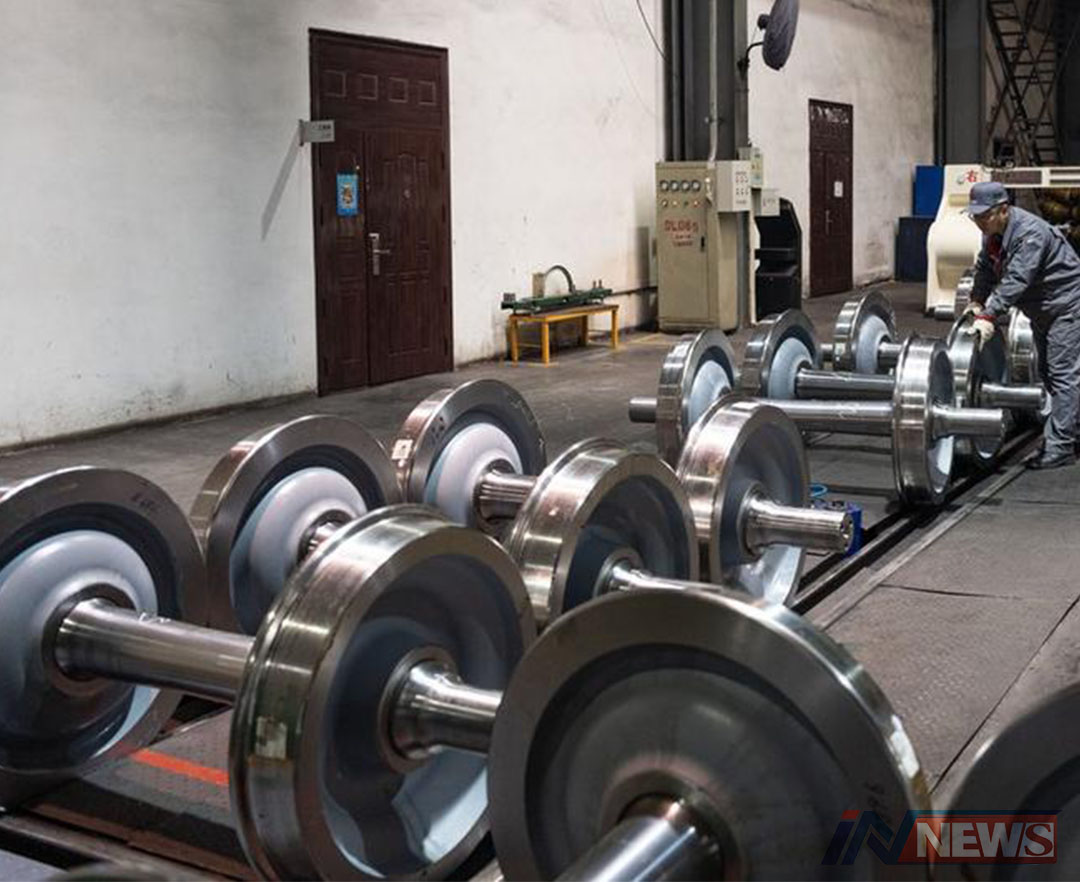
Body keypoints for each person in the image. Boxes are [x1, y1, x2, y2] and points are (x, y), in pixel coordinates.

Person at [965, 181, 1080, 469]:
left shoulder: (1030, 234)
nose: (979, 222)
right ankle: (1071, 428)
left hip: (1065, 307)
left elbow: (1017, 279)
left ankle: (1061, 447)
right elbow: (985, 268)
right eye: (974, 216)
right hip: (1041, 310)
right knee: (1048, 372)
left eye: (984, 215)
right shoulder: (993, 234)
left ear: (1003, 210)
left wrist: (989, 315)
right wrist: (976, 301)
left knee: (1063, 373)